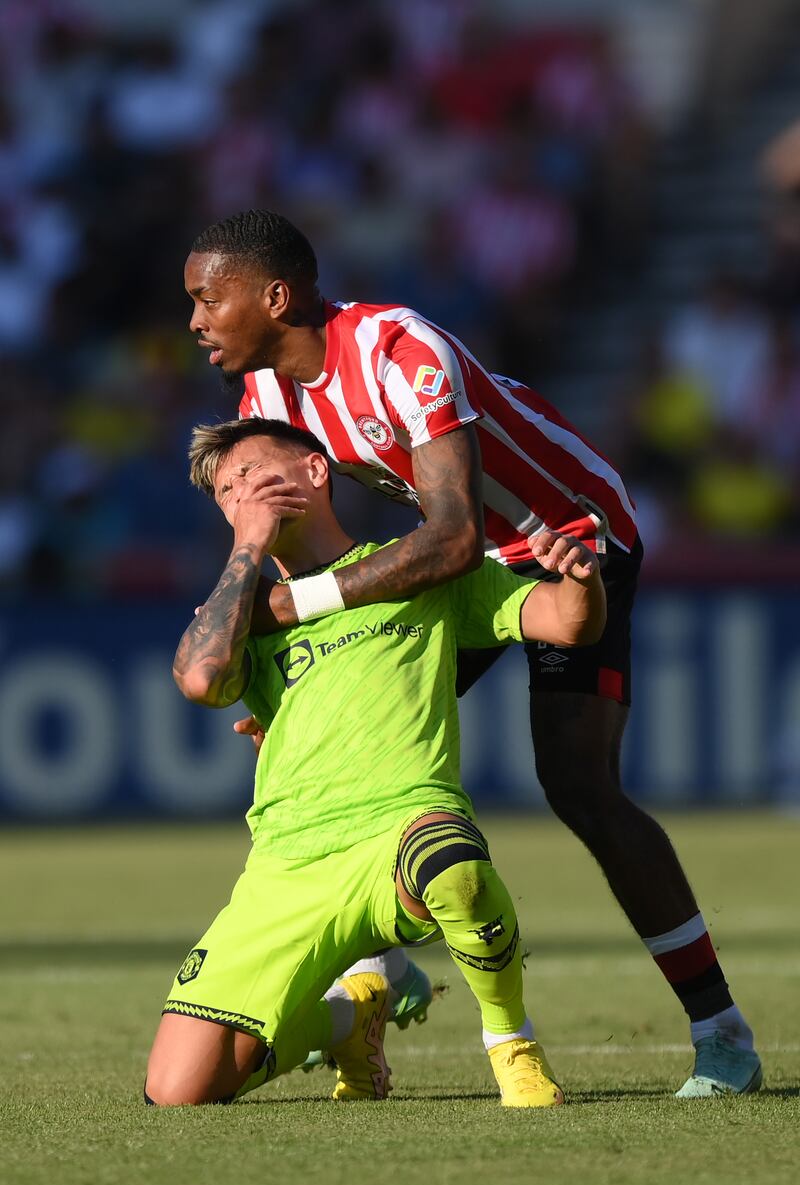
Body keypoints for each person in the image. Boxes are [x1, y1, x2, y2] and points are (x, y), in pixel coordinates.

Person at [183, 209, 762, 1099]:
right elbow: (354, 538)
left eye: (206, 298)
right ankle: (384, 962)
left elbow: (452, 539)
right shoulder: (265, 404)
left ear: (275, 295)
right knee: (341, 755)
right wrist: (303, 686)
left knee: (578, 783)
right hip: (452, 561)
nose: (195, 321)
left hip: (567, 540)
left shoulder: (397, 349)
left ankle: (722, 1032)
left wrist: (297, 608)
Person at [145, 415, 607, 1107]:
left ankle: (511, 1042)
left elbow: (569, 623)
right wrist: (247, 548)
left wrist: (579, 574)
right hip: (288, 864)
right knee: (179, 1090)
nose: (238, 493)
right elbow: (202, 680)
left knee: (455, 868)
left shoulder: (423, 567)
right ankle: (351, 1017)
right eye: (224, 491)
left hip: (400, 827)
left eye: (250, 474)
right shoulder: (242, 610)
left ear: (314, 471)